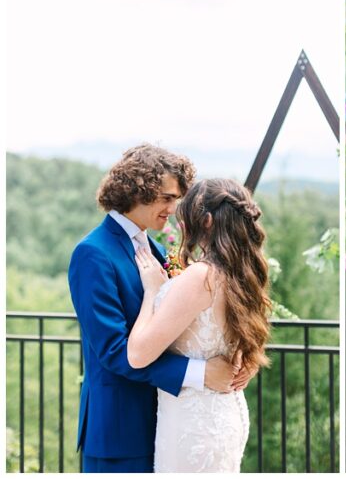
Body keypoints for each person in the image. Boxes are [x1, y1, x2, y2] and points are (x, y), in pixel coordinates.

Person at [68, 145, 245, 472]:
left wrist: (236, 361)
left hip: (171, 423)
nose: (174, 208)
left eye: (177, 199)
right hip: (121, 431)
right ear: (136, 190)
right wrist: (200, 374)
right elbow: (113, 351)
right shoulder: (92, 254)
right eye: (166, 198)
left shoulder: (158, 249)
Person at [128, 177, 272, 472]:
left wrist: (153, 291)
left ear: (205, 220)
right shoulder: (242, 274)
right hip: (225, 413)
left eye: (185, 217)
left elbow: (138, 355)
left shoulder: (201, 277)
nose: (182, 225)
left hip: (194, 426)